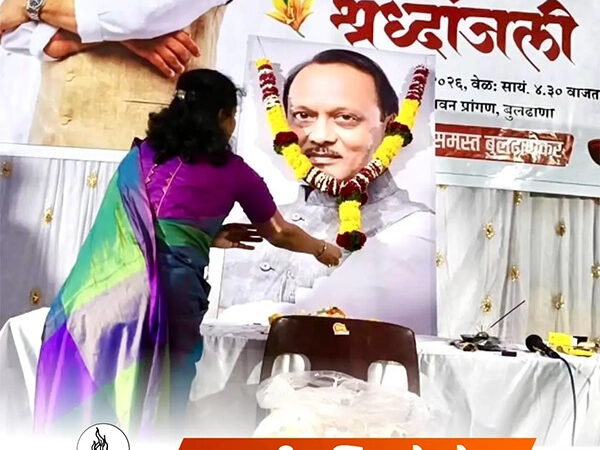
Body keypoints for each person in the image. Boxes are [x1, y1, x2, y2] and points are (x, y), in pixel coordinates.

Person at [33, 69, 342, 437]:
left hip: (92, 304)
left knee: (89, 408)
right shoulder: (234, 172)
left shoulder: (140, 157)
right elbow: (280, 232)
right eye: (232, 115)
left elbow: (138, 232)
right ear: (222, 117)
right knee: (161, 405)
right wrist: (323, 249)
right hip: (168, 300)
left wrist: (203, 236)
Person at [221, 49, 437, 335]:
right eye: (303, 116)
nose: (320, 136)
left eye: (345, 117)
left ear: (389, 125)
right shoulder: (249, 225)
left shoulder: (418, 232)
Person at [0, 0, 232, 148]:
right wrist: (127, 36)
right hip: (48, 140)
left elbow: (146, 14)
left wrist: (33, 5)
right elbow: (9, 26)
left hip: (149, 151)